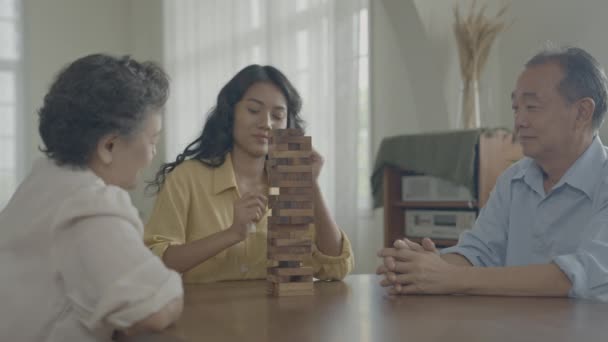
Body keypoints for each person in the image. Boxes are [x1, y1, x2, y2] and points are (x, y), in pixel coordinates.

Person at [377, 46, 608, 301]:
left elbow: (582, 275)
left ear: (582, 112)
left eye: (531, 107)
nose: (519, 121)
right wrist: (420, 265)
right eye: (515, 108)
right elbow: (478, 252)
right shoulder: (513, 179)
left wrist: (449, 277)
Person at [0, 54, 183, 341]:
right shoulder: (89, 204)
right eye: (152, 140)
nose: (152, 155)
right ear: (109, 146)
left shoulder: (43, 179)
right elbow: (154, 309)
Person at [144, 64, 354, 283]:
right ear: (230, 113)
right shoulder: (186, 178)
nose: (266, 124)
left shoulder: (289, 185)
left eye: (278, 115)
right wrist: (232, 234)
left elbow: (335, 268)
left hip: (276, 316)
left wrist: (312, 185)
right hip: (199, 314)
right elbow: (156, 263)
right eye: (253, 110)